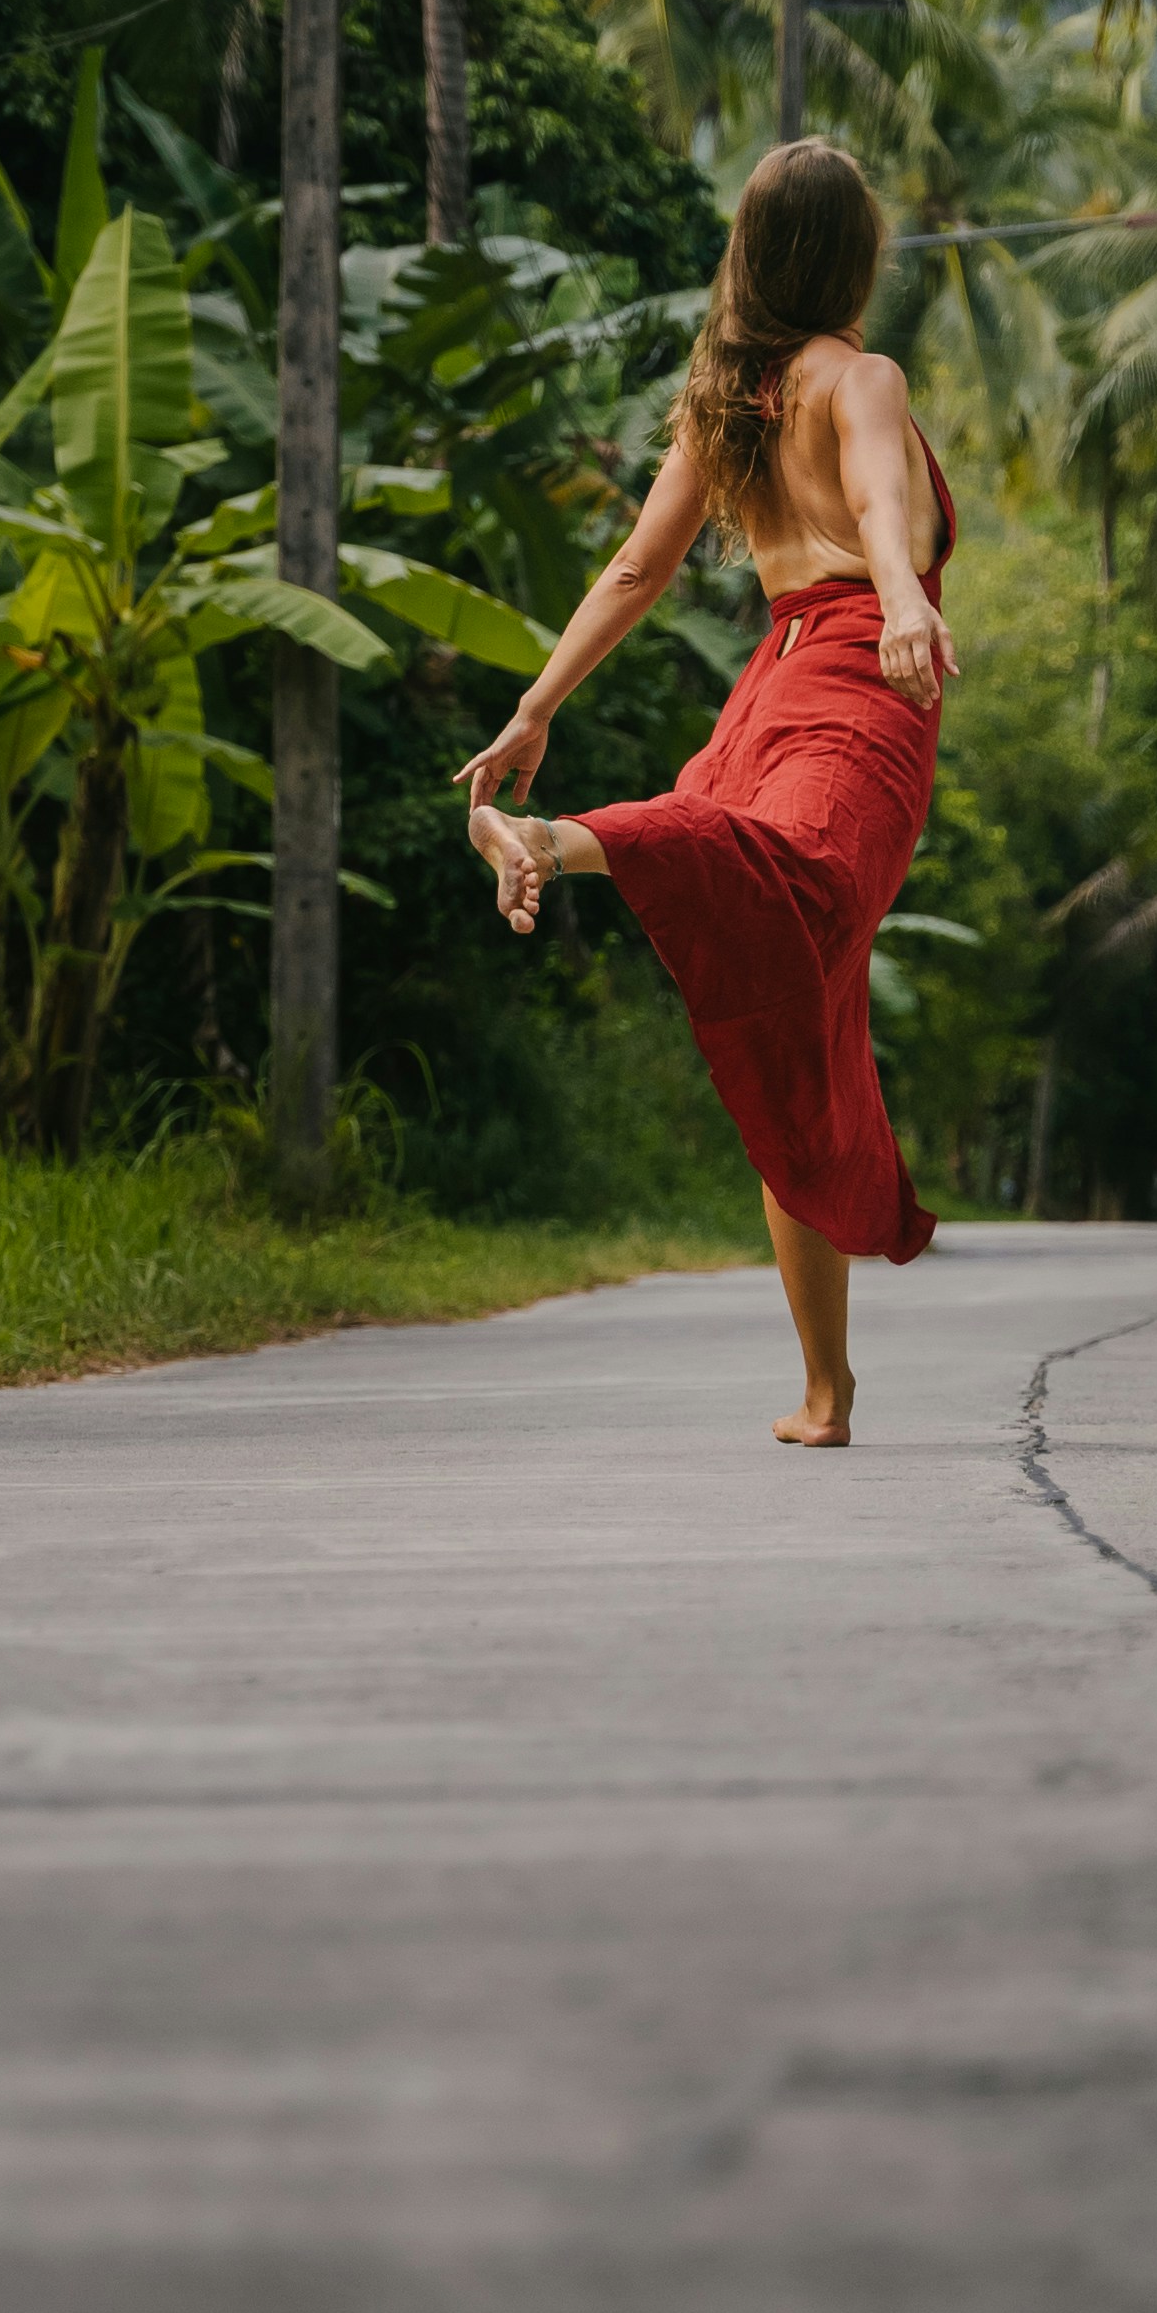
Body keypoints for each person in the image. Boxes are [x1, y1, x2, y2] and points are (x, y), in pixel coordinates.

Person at [458, 138, 957, 1448]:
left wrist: (535, 704)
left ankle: (826, 1391)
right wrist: (903, 598)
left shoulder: (725, 402)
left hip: (774, 686)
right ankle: (558, 844)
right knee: (787, 887)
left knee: (802, 1001)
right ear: (855, 257)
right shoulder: (864, 377)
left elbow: (634, 569)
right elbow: (879, 497)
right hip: (852, 687)